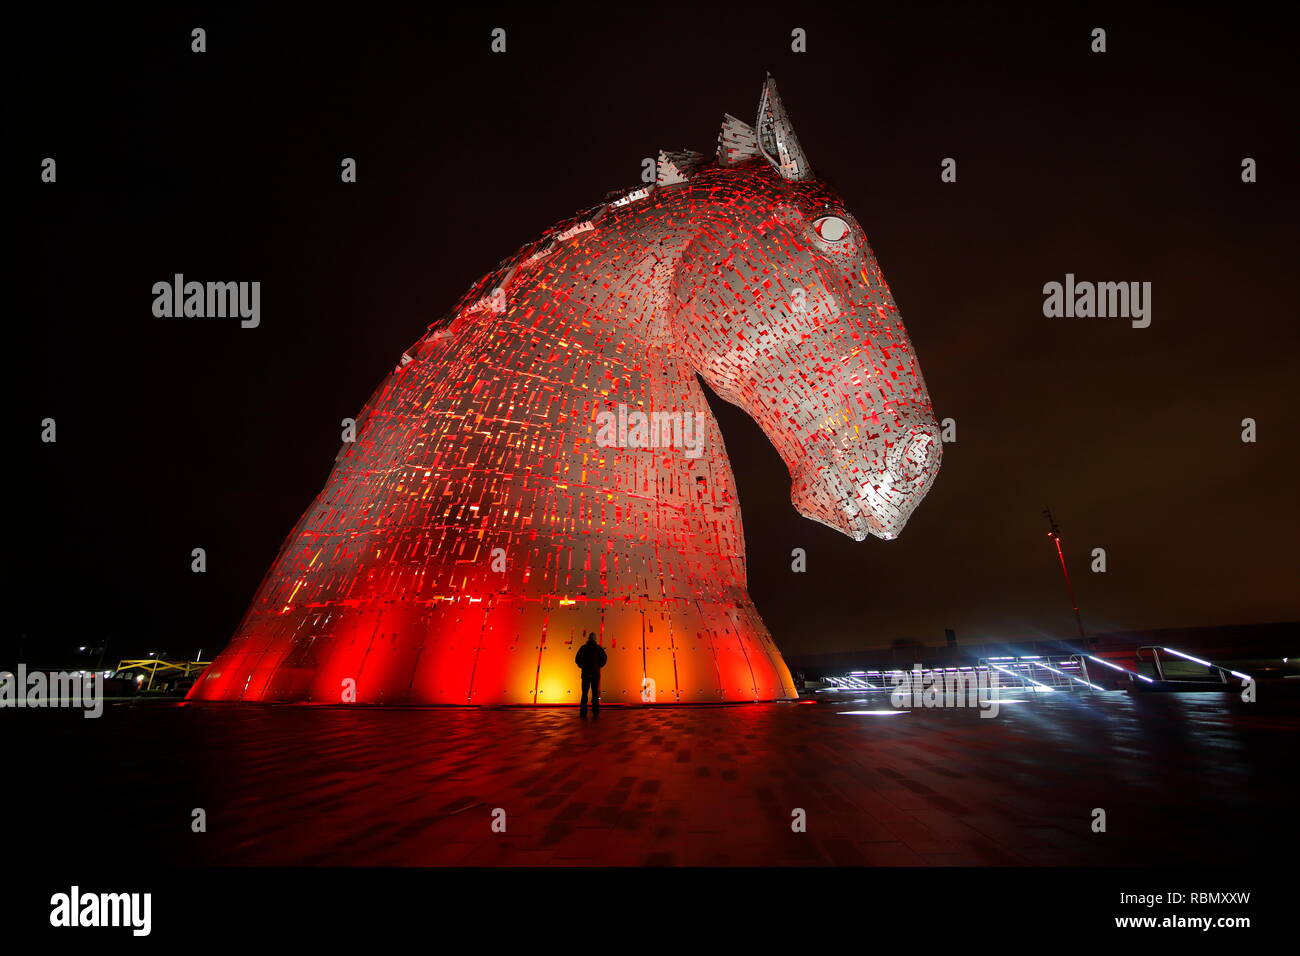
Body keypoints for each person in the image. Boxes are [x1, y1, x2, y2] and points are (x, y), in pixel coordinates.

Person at [574, 632, 607, 713]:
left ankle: (583, 710)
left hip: (586, 673)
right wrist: (598, 666)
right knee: (595, 692)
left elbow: (577, 659)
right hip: (595, 673)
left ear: (588, 638)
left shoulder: (583, 648)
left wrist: (582, 666)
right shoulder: (598, 648)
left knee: (584, 692)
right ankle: (595, 710)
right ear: (595, 638)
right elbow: (604, 658)